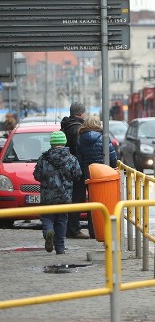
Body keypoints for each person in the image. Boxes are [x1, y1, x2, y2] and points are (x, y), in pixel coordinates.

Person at [32, 131, 82, 254]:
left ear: (51, 143)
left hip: (47, 197)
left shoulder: (44, 158)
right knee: (61, 220)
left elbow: (37, 175)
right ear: (64, 142)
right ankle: (60, 248)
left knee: (47, 218)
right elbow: (77, 175)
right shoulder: (71, 158)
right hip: (65, 196)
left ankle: (48, 232)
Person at [75, 114, 118, 239]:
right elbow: (113, 156)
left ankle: (93, 231)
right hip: (104, 173)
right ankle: (105, 229)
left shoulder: (80, 139)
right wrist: (113, 168)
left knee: (92, 202)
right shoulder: (103, 137)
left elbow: (79, 159)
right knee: (105, 202)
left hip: (89, 174)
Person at [61, 102, 86, 238]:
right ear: (81, 113)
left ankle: (68, 228)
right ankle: (74, 229)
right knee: (77, 199)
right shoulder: (77, 129)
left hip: (66, 169)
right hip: (76, 170)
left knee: (68, 199)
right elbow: (78, 151)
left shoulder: (65, 125)